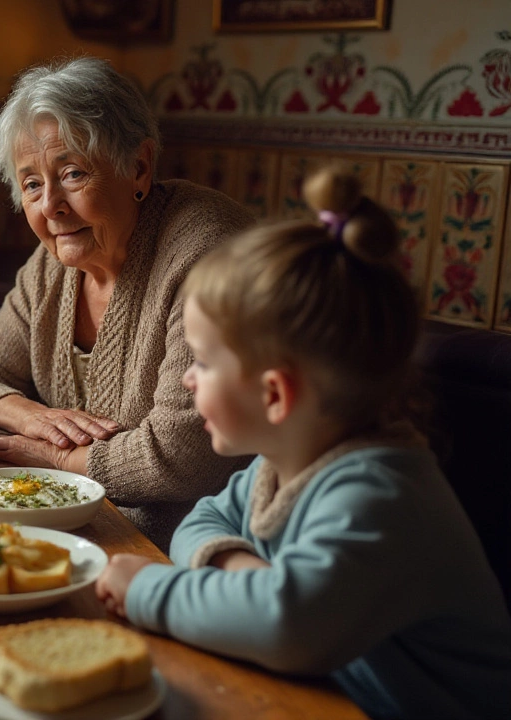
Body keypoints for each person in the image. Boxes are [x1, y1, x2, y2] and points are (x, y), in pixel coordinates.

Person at [96, 167, 511, 719]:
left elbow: (287, 627)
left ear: (274, 394)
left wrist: (147, 587)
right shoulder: (277, 466)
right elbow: (202, 522)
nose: (186, 380)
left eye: (201, 361)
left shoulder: (379, 497)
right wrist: (249, 577)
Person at [0, 56, 254, 549]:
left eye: (74, 173)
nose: (51, 207)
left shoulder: (208, 257)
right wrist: (29, 415)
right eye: (32, 183)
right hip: (70, 531)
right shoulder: (52, 266)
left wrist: (51, 457)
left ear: (138, 167)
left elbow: (180, 458)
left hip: (189, 551)